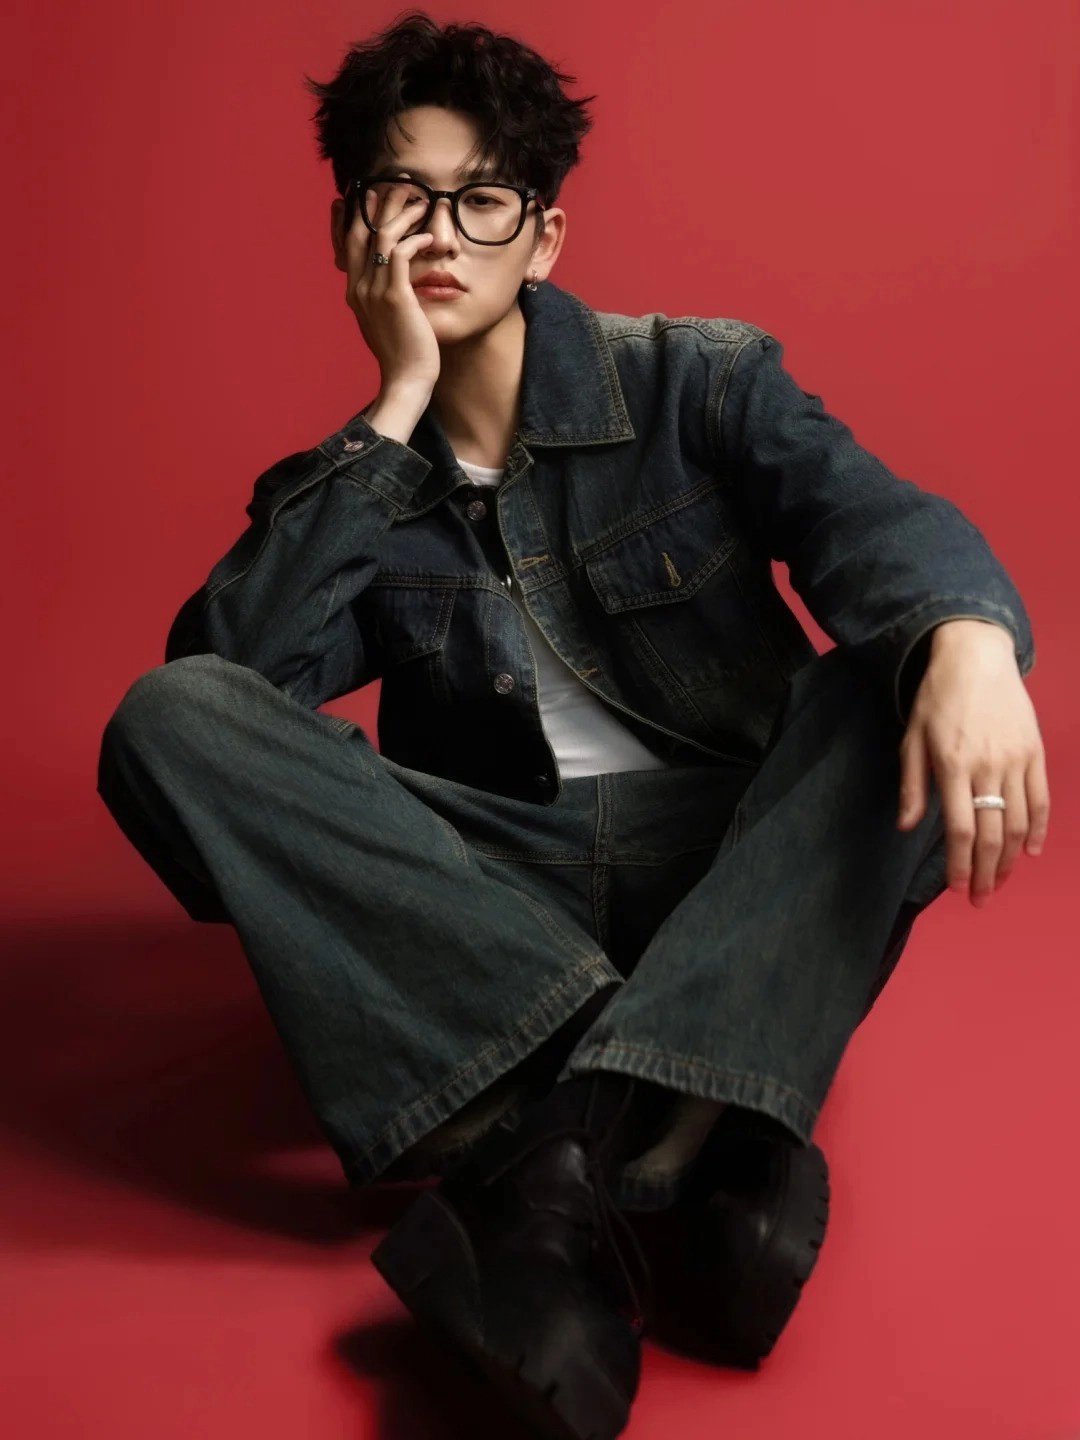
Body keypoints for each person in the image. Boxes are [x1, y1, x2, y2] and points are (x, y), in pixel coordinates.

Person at [95, 12, 1048, 1440]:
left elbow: (878, 524)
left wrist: (968, 640)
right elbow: (227, 690)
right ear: (351, 229)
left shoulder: (696, 379)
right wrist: (394, 409)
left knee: (890, 671)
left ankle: (553, 1162)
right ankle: (681, 1125)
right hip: (496, 901)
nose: (440, 233)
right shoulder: (346, 487)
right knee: (164, 713)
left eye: (481, 199)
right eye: (402, 196)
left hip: (724, 871)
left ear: (542, 237)